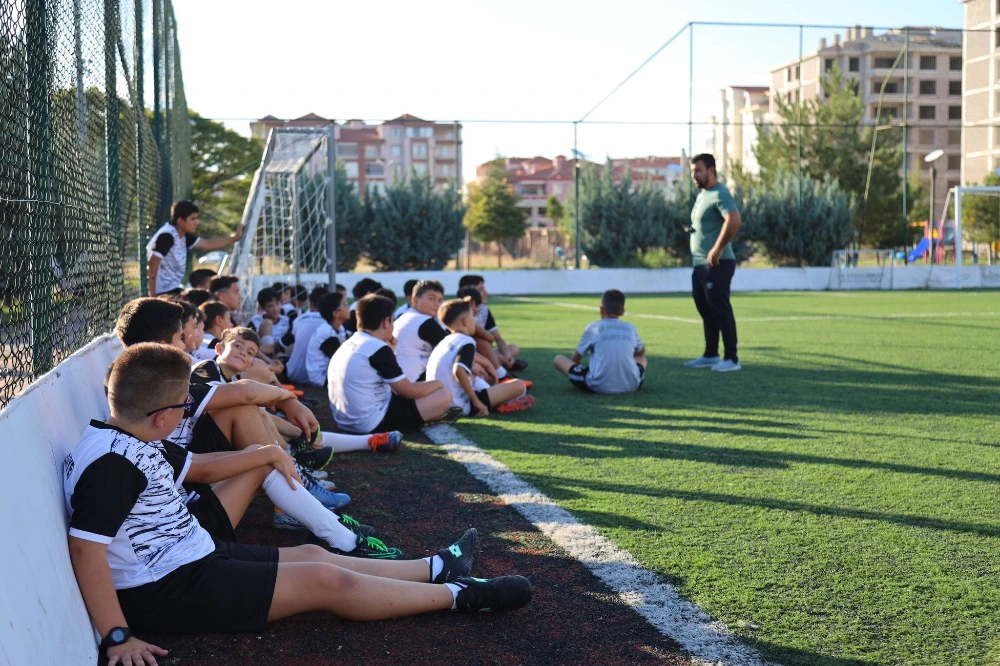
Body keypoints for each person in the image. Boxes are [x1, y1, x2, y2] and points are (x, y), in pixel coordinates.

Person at [66, 344, 533, 666]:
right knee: (323, 579)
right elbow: (86, 551)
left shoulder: (126, 435)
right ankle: (462, 596)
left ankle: (434, 568)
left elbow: (201, 468)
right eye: (185, 405)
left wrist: (266, 453)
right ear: (163, 415)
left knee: (313, 555)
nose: (191, 410)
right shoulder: (112, 464)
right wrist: (117, 635)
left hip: (191, 556)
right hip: (166, 589)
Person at [329, 294, 455, 434]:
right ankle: (422, 419)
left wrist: (391, 352)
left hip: (345, 422)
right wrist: (438, 383)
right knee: (444, 395)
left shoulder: (351, 342)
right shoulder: (377, 347)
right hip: (371, 423)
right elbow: (408, 391)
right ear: (386, 322)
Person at [684, 153, 742, 373]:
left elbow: (734, 219)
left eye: (698, 170)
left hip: (718, 264)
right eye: (692, 171)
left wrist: (717, 249)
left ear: (711, 170)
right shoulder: (703, 195)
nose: (694, 175)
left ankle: (732, 358)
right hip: (699, 265)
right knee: (706, 310)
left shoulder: (720, 193)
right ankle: (710, 354)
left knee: (720, 309)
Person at [428, 298, 535, 416]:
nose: (475, 321)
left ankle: (499, 398)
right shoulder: (466, 341)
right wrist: (476, 401)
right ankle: (504, 403)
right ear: (465, 321)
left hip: (438, 402)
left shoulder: (445, 341)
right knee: (519, 385)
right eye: (472, 317)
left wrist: (488, 367)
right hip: (460, 405)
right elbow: (458, 370)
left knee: (477, 374)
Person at [553, 289, 647, 394]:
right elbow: (641, 352)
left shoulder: (594, 327)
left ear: (601, 309)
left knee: (558, 359)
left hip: (598, 385)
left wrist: (580, 369)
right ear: (623, 312)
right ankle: (624, 376)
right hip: (632, 385)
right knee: (642, 359)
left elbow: (576, 358)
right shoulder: (630, 328)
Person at [146, 201, 243, 296]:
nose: (196, 222)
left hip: (174, 288)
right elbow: (153, 262)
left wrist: (235, 238)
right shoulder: (167, 236)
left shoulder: (183, 234)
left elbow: (206, 244)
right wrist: (153, 296)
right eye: (193, 219)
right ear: (180, 220)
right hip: (163, 292)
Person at [458, 275, 527, 377]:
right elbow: (487, 338)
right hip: (467, 353)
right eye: (481, 289)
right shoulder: (458, 311)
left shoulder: (483, 309)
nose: (486, 293)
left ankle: (499, 363)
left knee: (513, 348)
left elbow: (497, 338)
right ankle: (500, 371)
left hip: (485, 351)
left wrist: (507, 355)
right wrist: (489, 341)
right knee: (480, 341)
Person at [392, 280, 447, 381]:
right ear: (415, 300)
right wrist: (485, 363)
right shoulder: (423, 321)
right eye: (431, 299)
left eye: (440, 300)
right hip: (414, 380)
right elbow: (455, 348)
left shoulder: (405, 316)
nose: (437, 304)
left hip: (399, 380)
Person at [305, 291, 350, 387]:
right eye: (344, 304)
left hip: (330, 372)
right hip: (321, 378)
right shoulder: (326, 332)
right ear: (336, 313)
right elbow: (341, 360)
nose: (348, 307)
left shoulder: (340, 328)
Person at [285, 286, 329, 384]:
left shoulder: (299, 319)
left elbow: (287, 341)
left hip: (293, 374)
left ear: (311, 303)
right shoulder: (329, 323)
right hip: (318, 377)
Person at [250, 288, 291, 358]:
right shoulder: (255, 321)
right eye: (270, 306)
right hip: (264, 356)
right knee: (267, 323)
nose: (276, 309)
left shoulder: (287, 321)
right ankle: (272, 356)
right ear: (263, 308)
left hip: (284, 352)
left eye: (277, 304)